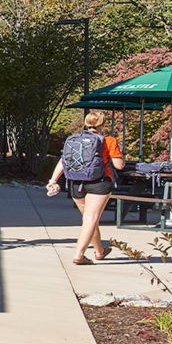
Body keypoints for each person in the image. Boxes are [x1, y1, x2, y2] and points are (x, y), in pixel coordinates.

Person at [47, 109, 126, 264]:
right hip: (99, 183)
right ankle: (79, 255)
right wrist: (120, 158)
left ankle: (99, 251)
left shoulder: (74, 139)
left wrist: (53, 180)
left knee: (89, 219)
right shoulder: (108, 140)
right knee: (91, 219)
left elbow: (64, 161)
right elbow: (119, 165)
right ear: (102, 124)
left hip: (76, 184)